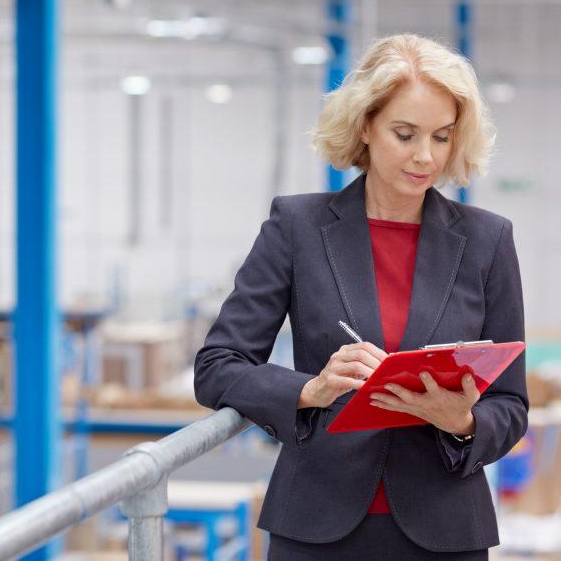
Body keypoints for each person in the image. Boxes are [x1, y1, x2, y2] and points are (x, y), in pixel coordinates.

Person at [193, 33, 528, 558]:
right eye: (405, 133)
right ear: (366, 125)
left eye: (442, 137)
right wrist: (310, 390)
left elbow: (511, 404)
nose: (425, 157)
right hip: (316, 527)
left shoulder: (487, 241)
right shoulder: (297, 227)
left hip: (444, 532)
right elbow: (217, 365)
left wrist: (461, 422)